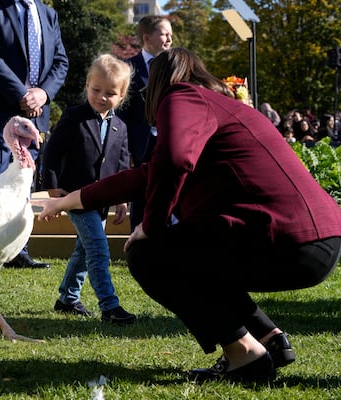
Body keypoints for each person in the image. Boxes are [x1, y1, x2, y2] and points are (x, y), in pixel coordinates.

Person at [31, 48, 341, 383]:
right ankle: (268, 338)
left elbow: (174, 161)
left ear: (160, 82)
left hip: (288, 239)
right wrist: (70, 200)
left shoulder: (181, 96)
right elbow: (149, 174)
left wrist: (151, 225)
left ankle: (244, 354)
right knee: (199, 257)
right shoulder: (221, 105)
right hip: (318, 238)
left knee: (149, 255)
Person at [0, 0, 69, 269]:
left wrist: (43, 94)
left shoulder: (48, 14)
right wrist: (21, 94)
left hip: (36, 113)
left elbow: (61, 61)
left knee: (26, 181)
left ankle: (17, 251)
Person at [42, 54, 136, 324]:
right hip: (74, 196)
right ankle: (109, 305)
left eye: (110, 93)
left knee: (84, 250)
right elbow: (52, 152)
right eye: (96, 90)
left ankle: (67, 298)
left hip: (103, 200)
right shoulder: (74, 117)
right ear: (87, 85)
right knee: (97, 247)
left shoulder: (120, 126)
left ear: (121, 96)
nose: (101, 97)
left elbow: (121, 166)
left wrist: (121, 200)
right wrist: (53, 186)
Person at [116, 15, 173, 231]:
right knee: (141, 196)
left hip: (171, 142)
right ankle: (138, 249)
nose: (170, 38)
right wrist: (125, 148)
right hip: (141, 144)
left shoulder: (177, 67)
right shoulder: (128, 69)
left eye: (171, 34)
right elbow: (121, 112)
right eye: (164, 33)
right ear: (147, 37)